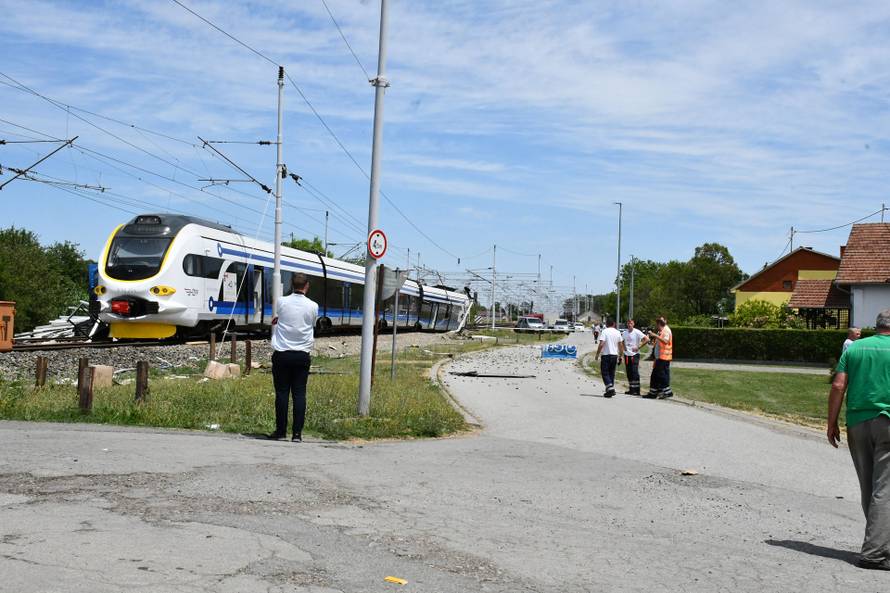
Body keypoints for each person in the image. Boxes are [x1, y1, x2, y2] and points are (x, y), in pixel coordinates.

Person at [827, 309, 890, 570]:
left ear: (876, 326)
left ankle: (879, 542)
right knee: (884, 487)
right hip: (887, 421)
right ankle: (874, 553)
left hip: (857, 423)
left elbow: (839, 385)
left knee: (869, 485)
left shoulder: (854, 349)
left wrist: (831, 423)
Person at [269, 273, 319, 442]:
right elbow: (311, 324)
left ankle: (281, 432)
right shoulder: (313, 306)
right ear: (307, 286)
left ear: (292, 284)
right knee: (299, 394)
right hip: (302, 356)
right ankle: (297, 434)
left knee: (282, 393)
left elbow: (276, 319)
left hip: (282, 354)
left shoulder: (281, 302)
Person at [644, 316, 673, 399]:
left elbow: (665, 341)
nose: (656, 326)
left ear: (659, 324)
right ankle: (653, 393)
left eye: (657, 324)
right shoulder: (662, 331)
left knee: (661, 375)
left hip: (664, 357)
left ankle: (667, 392)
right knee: (655, 376)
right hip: (660, 357)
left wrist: (655, 335)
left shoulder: (666, 331)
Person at [595, 318, 622, 398]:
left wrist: (597, 354)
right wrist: (621, 356)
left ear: (606, 324)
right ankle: (610, 390)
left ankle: (610, 388)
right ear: (614, 324)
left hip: (606, 355)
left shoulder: (605, 331)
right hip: (614, 355)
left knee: (605, 372)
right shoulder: (617, 332)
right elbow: (620, 345)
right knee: (611, 373)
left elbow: (601, 344)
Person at [622, 318, 648, 395]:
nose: (630, 324)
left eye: (631, 323)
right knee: (629, 373)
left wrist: (638, 347)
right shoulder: (624, 333)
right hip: (627, 355)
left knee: (634, 372)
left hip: (634, 355)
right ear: (627, 324)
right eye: (628, 323)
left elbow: (646, 339)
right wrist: (624, 347)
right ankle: (631, 389)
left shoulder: (637, 332)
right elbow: (622, 341)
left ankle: (637, 390)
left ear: (633, 324)